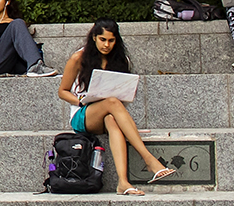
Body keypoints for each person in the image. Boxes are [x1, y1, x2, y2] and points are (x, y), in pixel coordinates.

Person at [57, 18, 176, 195]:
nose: (107, 45)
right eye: (103, 40)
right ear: (94, 38)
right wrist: (81, 100)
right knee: (112, 102)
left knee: (112, 119)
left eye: (111, 40)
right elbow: (63, 91)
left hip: (108, 113)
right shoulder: (78, 58)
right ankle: (148, 158)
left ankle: (123, 183)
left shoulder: (122, 60)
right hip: (83, 115)